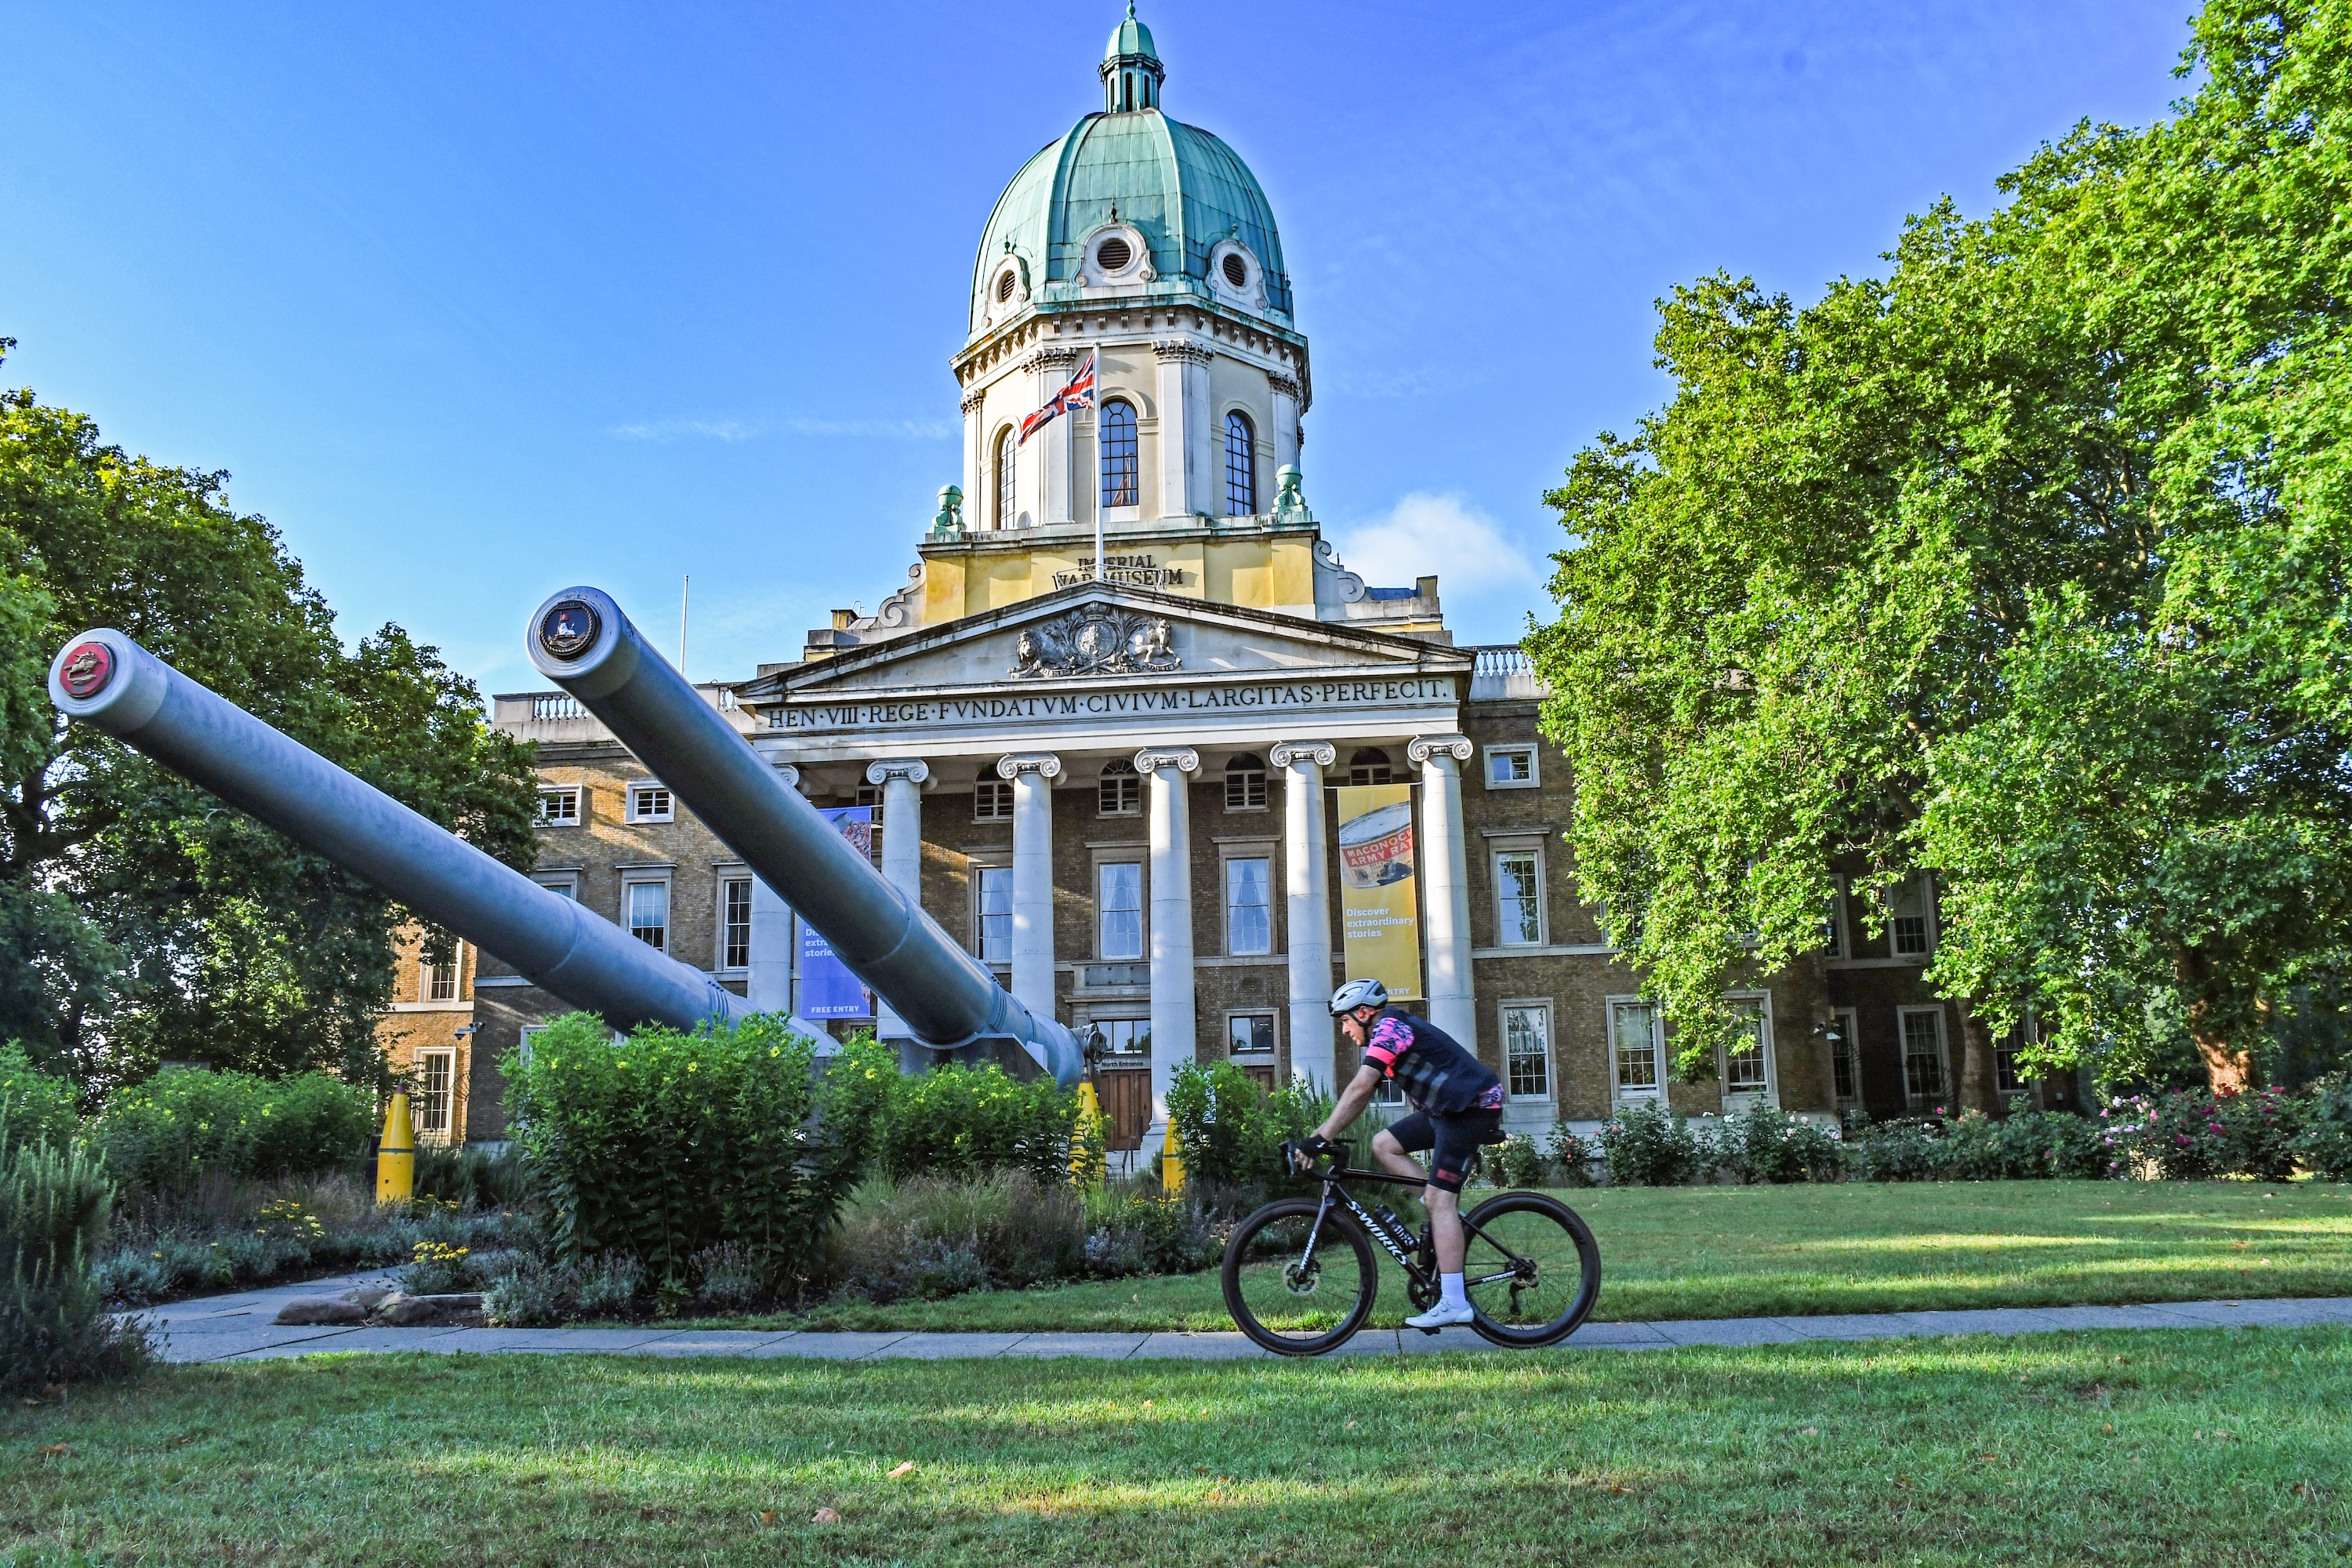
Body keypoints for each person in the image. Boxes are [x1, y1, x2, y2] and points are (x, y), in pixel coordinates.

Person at [1299, 978, 1505, 1329]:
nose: (1346, 1030)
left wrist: (1319, 1137)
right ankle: (1446, 1219)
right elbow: (1362, 1094)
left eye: (1346, 1021)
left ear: (1365, 1013)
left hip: (1472, 1107)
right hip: (1445, 1110)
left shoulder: (1391, 1030)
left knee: (1441, 1202)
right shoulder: (1386, 1031)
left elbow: (1362, 1087)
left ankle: (1454, 1301)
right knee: (1384, 1145)